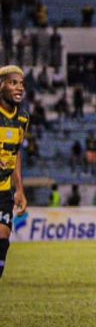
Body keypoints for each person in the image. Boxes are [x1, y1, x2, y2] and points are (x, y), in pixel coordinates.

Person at [0, 65, 29, 279]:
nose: (19, 88)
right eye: (13, 83)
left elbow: (17, 153)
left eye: (21, 84)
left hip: (4, 190)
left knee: (3, 240)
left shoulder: (23, 118)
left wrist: (20, 189)